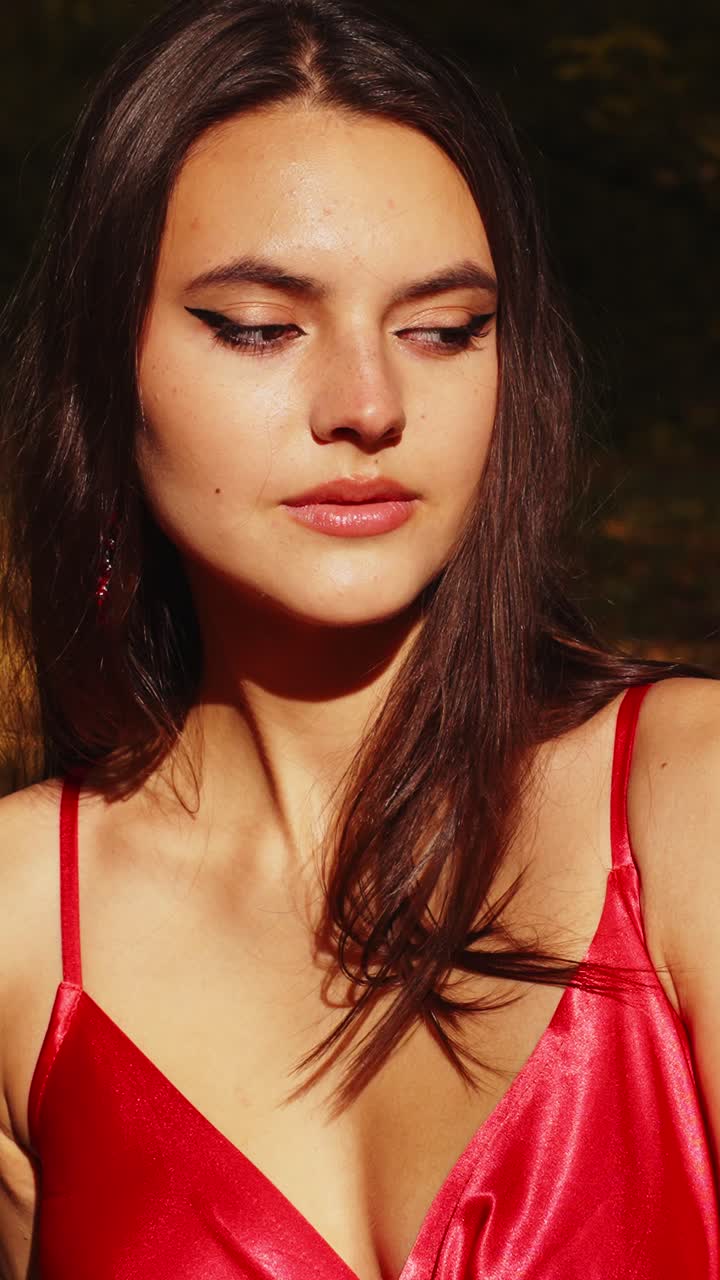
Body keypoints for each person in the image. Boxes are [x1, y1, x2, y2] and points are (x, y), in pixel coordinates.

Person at [0, 0, 718, 1275]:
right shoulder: (18, 931)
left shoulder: (689, 806)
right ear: (104, 371)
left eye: (443, 329)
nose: (372, 404)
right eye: (261, 326)